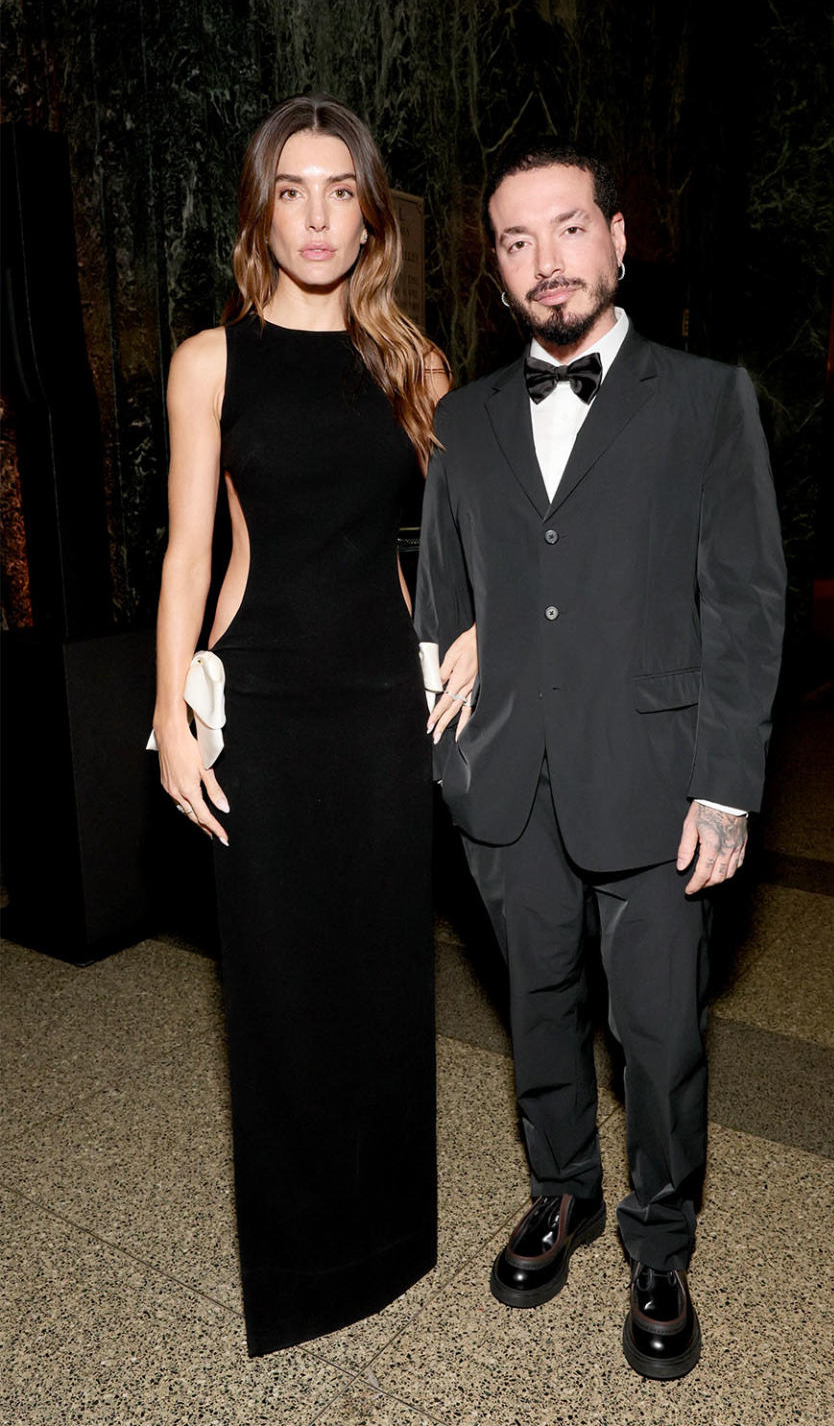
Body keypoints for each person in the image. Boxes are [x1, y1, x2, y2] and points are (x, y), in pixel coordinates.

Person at [416, 140, 786, 1381]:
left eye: (568, 230)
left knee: (662, 1034)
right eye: (516, 242)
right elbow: (445, 595)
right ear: (498, 270)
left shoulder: (703, 398)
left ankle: (660, 1241)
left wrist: (728, 785)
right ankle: (562, 1193)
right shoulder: (464, 421)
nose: (545, 262)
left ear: (620, 240)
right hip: (509, 777)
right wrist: (449, 709)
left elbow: (744, 601)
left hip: (658, 777)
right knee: (535, 1008)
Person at [150, 93, 474, 1357]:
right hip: (266, 707)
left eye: (342, 189)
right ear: (262, 208)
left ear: (372, 213)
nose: (319, 215)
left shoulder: (416, 364)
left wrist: (480, 636)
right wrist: (172, 716)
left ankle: (391, 1236)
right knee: (278, 988)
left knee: (386, 980)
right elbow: (189, 556)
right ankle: (299, 1270)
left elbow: (465, 549)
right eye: (294, 188)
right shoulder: (209, 361)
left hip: (381, 707)